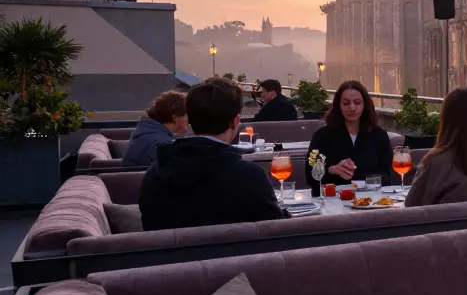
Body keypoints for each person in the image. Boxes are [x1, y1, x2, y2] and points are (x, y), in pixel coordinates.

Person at [138, 77, 286, 231]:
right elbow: (275, 232)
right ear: (236, 121)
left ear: (190, 120)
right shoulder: (250, 176)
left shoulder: (155, 173)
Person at [305, 80, 392, 195]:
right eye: (346, 103)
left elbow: (387, 175)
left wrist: (357, 177)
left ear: (365, 105)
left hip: (370, 201)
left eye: (357, 103)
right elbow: (310, 173)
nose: (352, 108)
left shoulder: (379, 135)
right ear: (338, 106)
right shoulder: (322, 135)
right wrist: (332, 170)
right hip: (332, 202)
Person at [122, 91, 189, 168]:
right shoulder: (159, 145)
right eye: (187, 115)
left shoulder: (148, 131)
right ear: (175, 118)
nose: (190, 119)